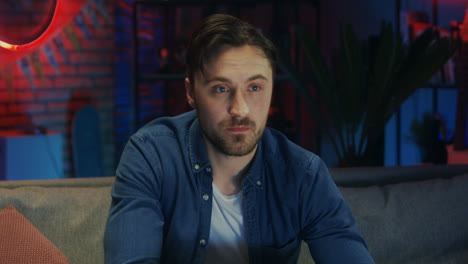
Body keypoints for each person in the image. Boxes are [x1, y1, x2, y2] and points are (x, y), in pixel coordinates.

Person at [104, 14, 375, 264]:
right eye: (221, 89)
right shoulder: (152, 156)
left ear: (271, 90)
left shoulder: (303, 173)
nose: (240, 109)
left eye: (255, 88)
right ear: (191, 92)